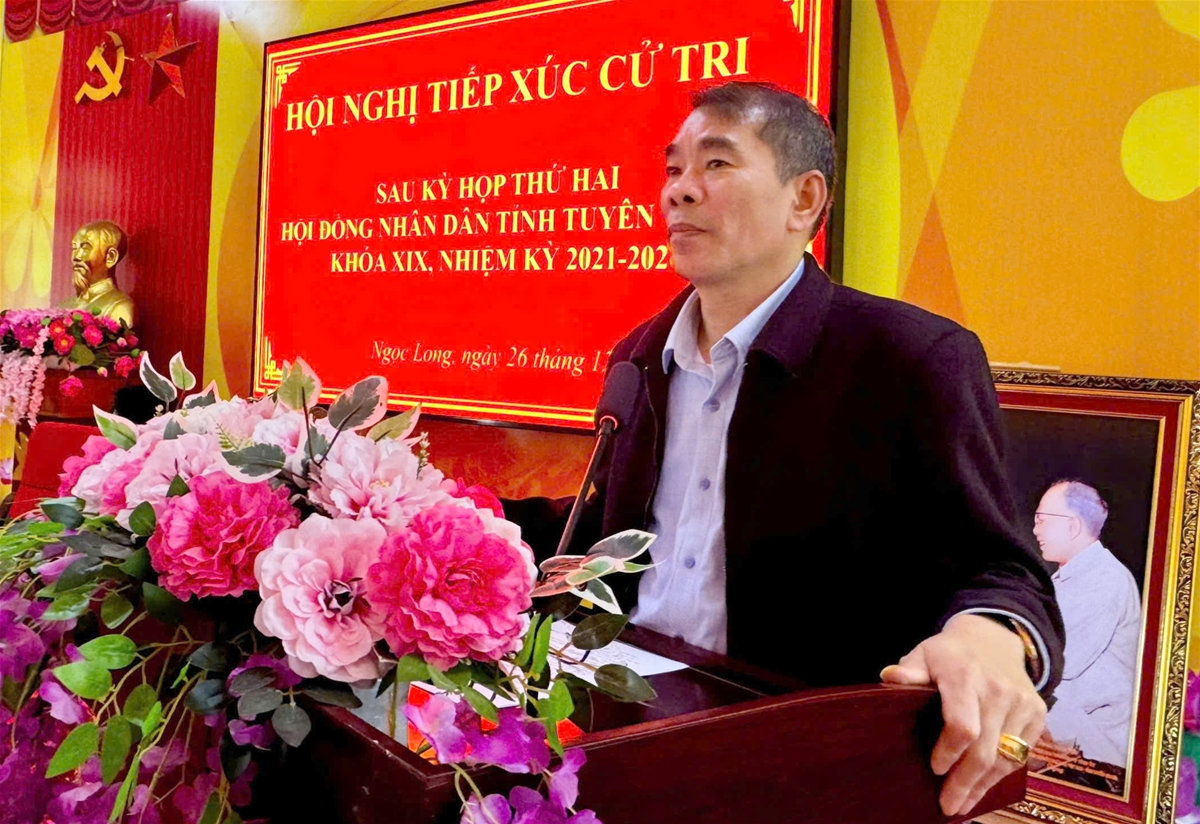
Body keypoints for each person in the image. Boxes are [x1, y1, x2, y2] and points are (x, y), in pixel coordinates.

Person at [505, 81, 1063, 816]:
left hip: (801, 758)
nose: (679, 192)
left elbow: (1002, 570)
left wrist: (989, 637)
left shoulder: (909, 358)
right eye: (673, 169)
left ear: (804, 199)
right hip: (633, 727)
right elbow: (605, 533)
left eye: (716, 164)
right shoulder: (638, 357)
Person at [1033, 480, 1140, 768]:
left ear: (1072, 526)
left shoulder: (1105, 580)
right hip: (1063, 729)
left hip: (1092, 750)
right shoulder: (1071, 577)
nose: (1035, 530)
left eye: (1041, 520)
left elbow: (1055, 664)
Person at [60, 220, 136, 328]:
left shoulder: (119, 307)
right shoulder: (62, 307)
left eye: (85, 248)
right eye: (74, 248)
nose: (76, 257)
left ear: (110, 257)